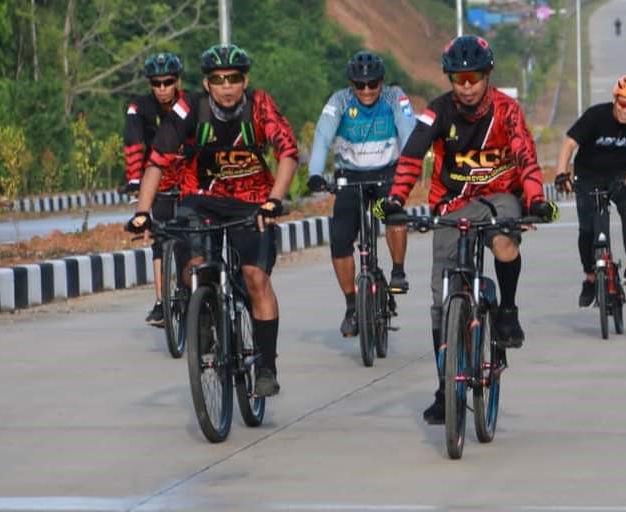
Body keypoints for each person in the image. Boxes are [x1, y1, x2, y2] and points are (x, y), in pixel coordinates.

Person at [375, 35, 556, 425]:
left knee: (505, 245)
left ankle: (506, 311)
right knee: (442, 301)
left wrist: (536, 199)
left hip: (499, 197)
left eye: (474, 77)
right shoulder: (436, 112)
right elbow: (411, 155)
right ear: (450, 80)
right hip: (451, 204)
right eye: (459, 79)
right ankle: (445, 390)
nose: (467, 86)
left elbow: (525, 157)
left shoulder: (508, 111)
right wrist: (395, 200)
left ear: (487, 75)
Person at [126, 44, 298, 398]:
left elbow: (288, 154)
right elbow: (156, 161)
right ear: (207, 84)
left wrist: (274, 200)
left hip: (252, 203)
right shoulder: (189, 108)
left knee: (255, 279)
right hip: (201, 199)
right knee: (194, 266)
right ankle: (203, 313)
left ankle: (266, 365)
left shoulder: (259, 105)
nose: (227, 87)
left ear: (245, 80)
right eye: (218, 80)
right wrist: (142, 213)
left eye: (234, 79)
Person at [307, 51, 416, 338]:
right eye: (360, 85)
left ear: (382, 82)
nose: (367, 91)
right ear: (351, 84)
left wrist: (408, 170)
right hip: (350, 178)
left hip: (387, 175)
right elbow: (322, 138)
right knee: (341, 239)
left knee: (392, 215)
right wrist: (315, 174)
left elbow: (409, 133)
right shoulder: (339, 101)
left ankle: (398, 271)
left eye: (373, 84)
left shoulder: (395, 97)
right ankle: (352, 306)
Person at [555, 74, 626, 305]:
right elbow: (569, 143)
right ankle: (590, 279)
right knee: (587, 228)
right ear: (615, 99)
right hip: (588, 176)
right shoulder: (596, 115)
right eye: (623, 104)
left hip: (622, 176)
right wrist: (562, 173)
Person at [125, 52, 188, 328]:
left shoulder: (190, 104)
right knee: (160, 240)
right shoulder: (139, 108)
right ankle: (162, 302)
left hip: (189, 178)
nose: (162, 88)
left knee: (197, 237)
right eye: (157, 83)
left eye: (168, 82)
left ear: (178, 81)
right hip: (158, 179)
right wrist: (134, 182)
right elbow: (134, 144)